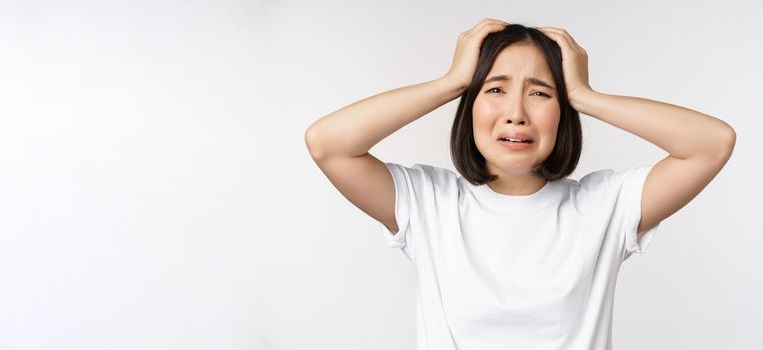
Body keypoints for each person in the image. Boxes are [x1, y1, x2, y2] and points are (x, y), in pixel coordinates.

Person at [304, 18, 735, 350]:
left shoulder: (605, 206)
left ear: (563, 111)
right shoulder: (429, 203)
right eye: (495, 89)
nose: (516, 113)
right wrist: (451, 81)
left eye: (541, 93)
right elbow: (328, 144)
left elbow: (712, 144)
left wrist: (584, 95)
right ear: (468, 105)